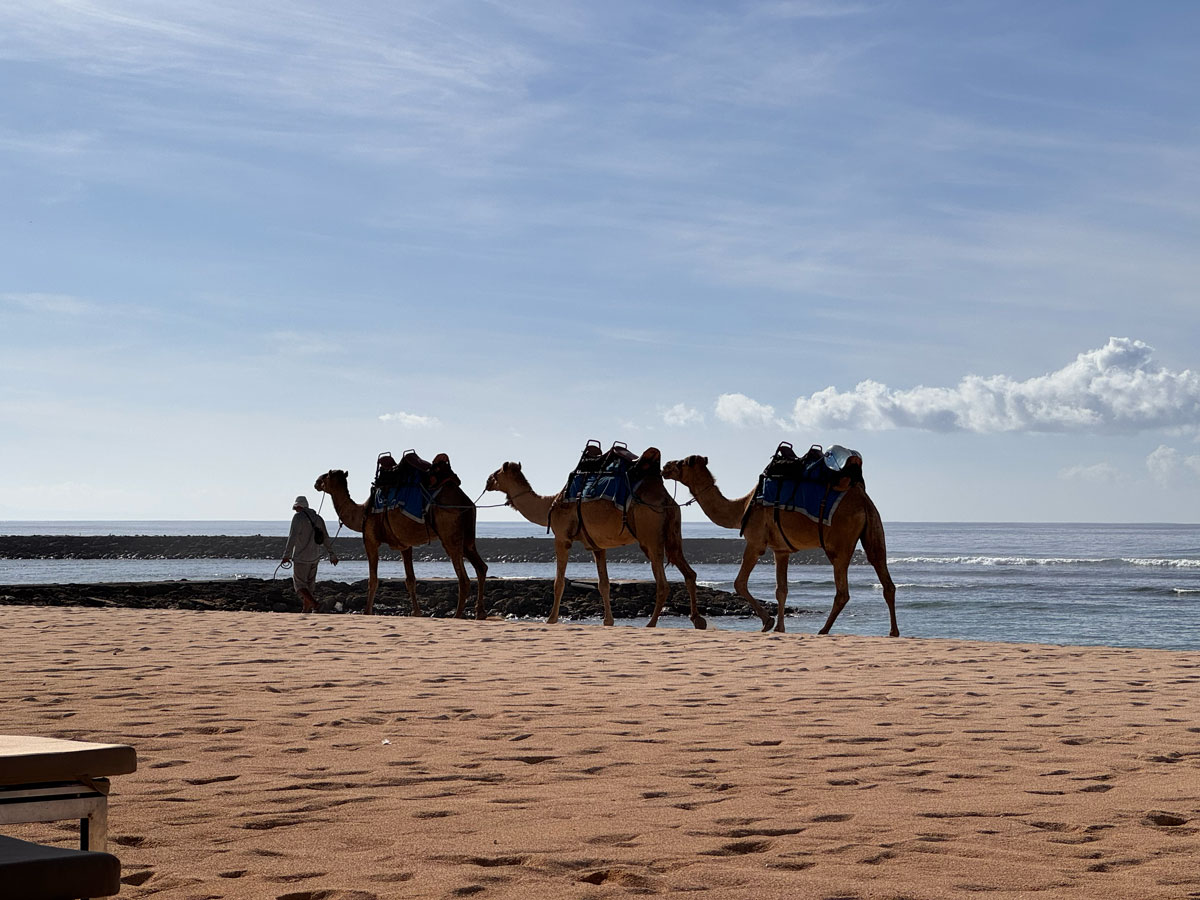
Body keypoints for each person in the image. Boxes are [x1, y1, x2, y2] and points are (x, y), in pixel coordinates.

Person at [281, 495, 338, 613]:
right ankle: (306, 609)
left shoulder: (298, 518)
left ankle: (316, 605)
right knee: (310, 586)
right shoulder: (318, 518)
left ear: (299, 507)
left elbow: (292, 537)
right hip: (315, 557)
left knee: (300, 585)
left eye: (296, 508)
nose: (295, 510)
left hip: (301, 557)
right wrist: (332, 554)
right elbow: (326, 538)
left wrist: (286, 555)